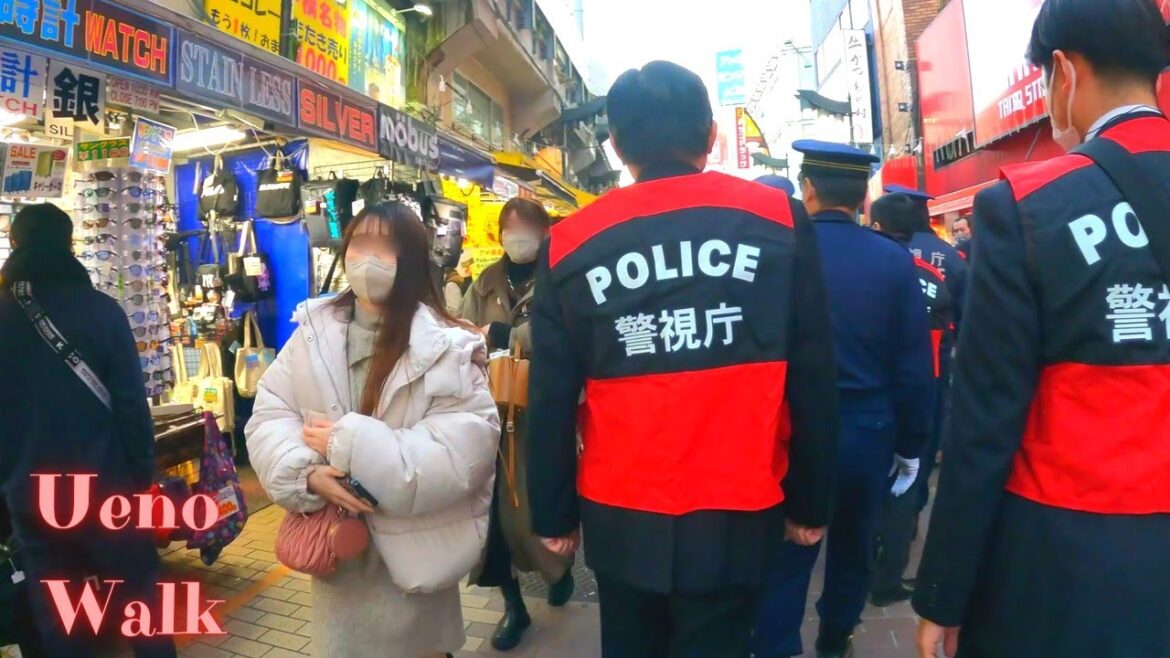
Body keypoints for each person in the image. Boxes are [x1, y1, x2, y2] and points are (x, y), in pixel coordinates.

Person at [527, 61, 839, 658]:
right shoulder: (778, 222)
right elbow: (814, 375)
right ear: (711, 135)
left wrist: (554, 513)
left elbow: (550, 396)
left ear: (616, 146)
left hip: (621, 514)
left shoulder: (569, 243)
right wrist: (810, 500)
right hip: (739, 506)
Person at [914, 1, 1170, 656]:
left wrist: (945, 592)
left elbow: (983, 423)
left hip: (1073, 563)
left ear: (1063, 73)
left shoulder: (1027, 206)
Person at [246, 203, 500, 658]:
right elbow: (270, 413)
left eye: (387, 247)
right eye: (361, 244)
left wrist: (351, 445)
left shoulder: (447, 345)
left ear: (414, 260)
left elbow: (462, 455)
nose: (369, 258)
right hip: (338, 554)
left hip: (415, 551)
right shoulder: (313, 331)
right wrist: (304, 473)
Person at [754, 141, 934, 658]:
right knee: (854, 543)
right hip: (867, 430)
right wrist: (912, 445)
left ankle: (775, 643)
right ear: (862, 197)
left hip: (790, 429)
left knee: (788, 546)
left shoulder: (779, 250)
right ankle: (836, 639)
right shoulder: (892, 261)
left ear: (807, 188)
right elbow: (913, 369)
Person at [0, 204, 175, 658]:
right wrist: (140, 480)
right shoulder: (103, 312)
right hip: (108, 490)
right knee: (142, 607)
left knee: (64, 623)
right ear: (70, 244)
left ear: (15, 244)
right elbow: (134, 411)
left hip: (32, 498)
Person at [459, 197, 575, 651]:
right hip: (488, 416)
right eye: (511, 226)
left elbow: (569, 334)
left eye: (527, 226)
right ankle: (514, 606)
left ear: (545, 231)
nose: (518, 234)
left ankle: (558, 571)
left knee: (542, 507)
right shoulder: (484, 282)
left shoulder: (563, 275)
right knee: (492, 520)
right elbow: (463, 332)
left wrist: (513, 338)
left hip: (541, 417)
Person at [866, 193, 954, 607]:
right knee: (907, 480)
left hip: (868, 393)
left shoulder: (859, 271)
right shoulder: (934, 273)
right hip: (924, 392)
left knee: (868, 484)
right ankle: (887, 577)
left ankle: (862, 566)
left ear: (879, 227)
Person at [882, 183, 966, 514]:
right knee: (925, 435)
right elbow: (966, 311)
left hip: (886, 363)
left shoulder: (886, 249)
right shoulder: (950, 256)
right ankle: (912, 507)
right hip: (936, 362)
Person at [444, 250, 474, 315]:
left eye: (470, 264)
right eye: (465, 265)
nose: (467, 268)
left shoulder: (453, 283)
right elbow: (455, 312)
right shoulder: (453, 283)